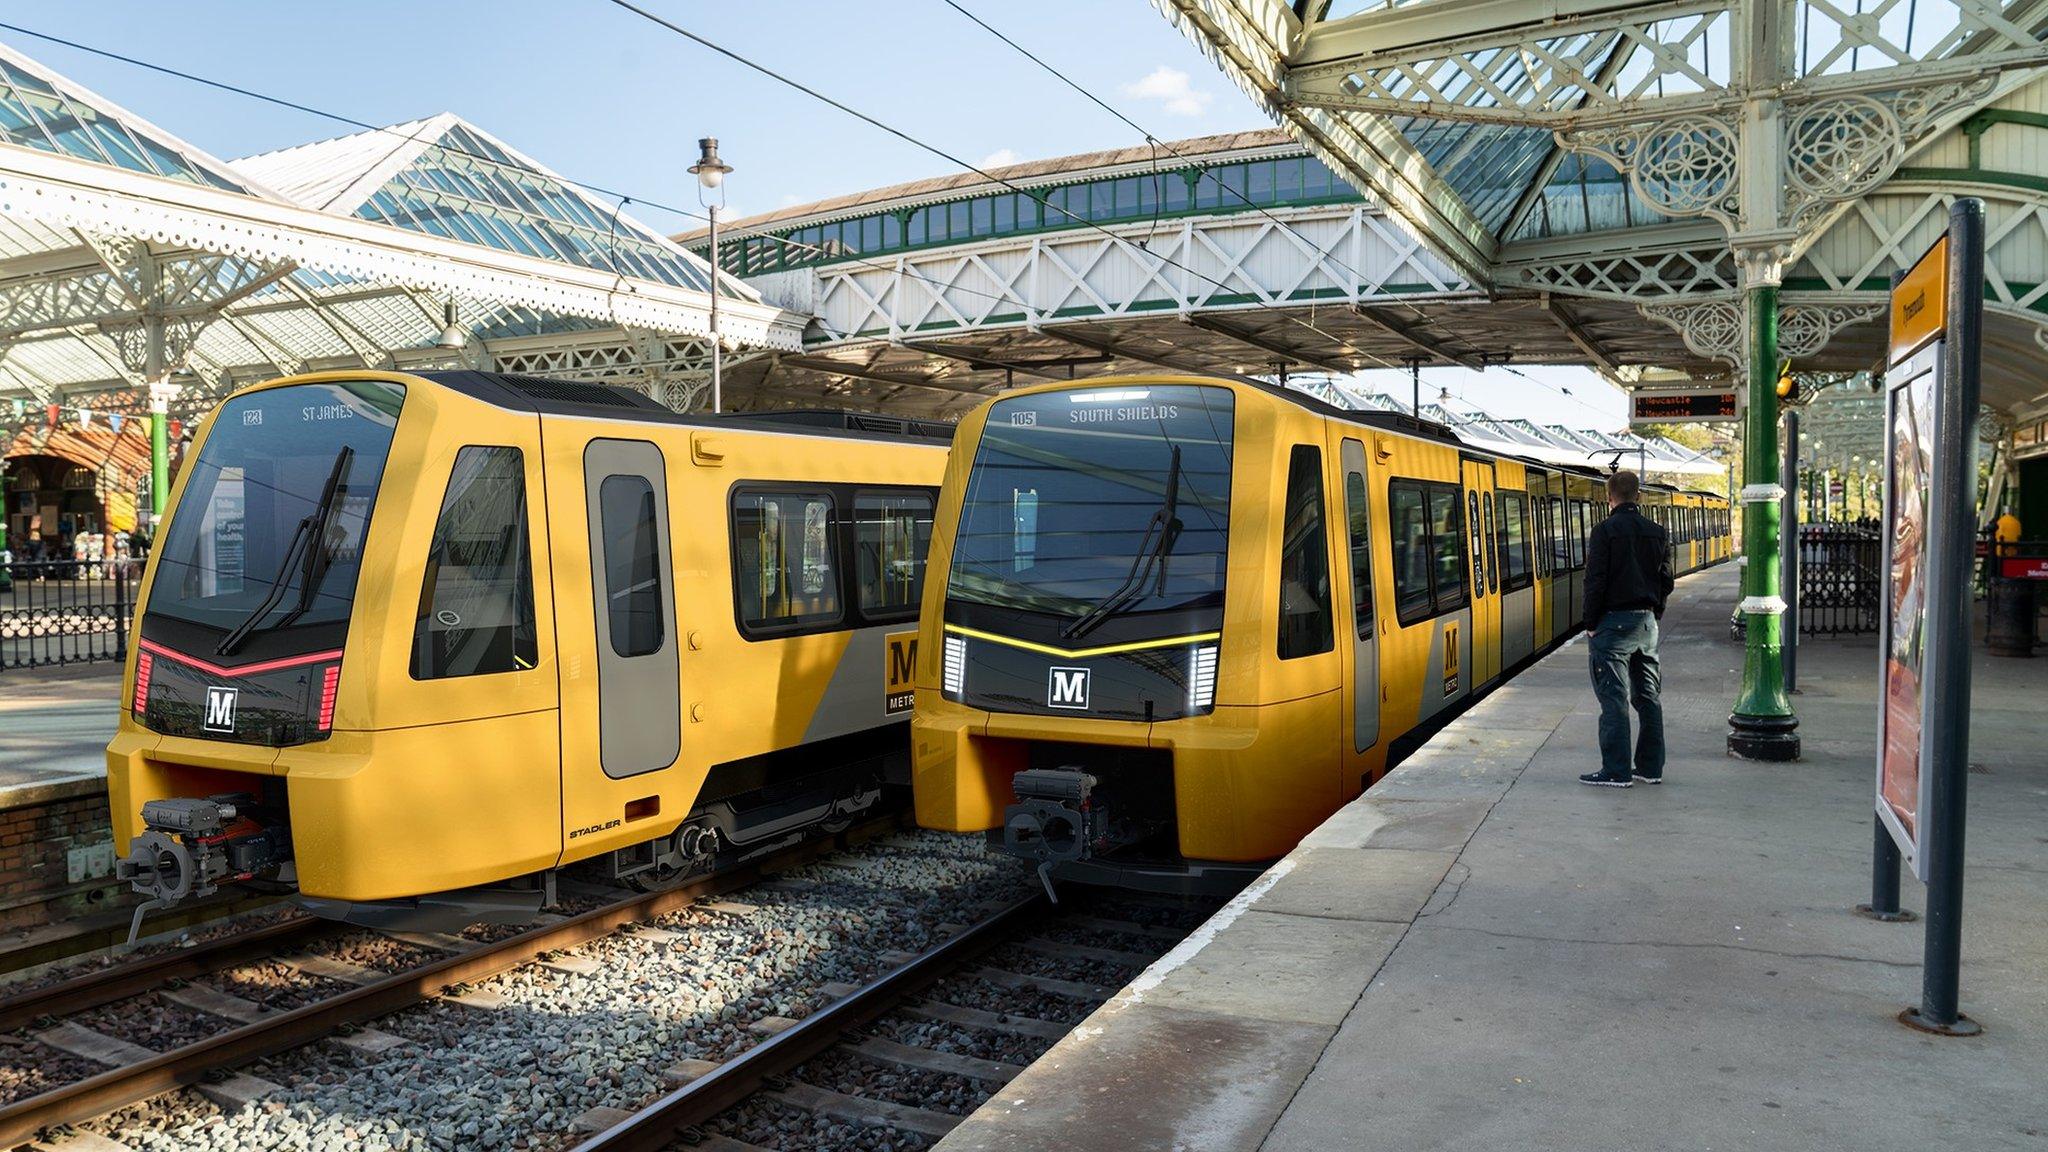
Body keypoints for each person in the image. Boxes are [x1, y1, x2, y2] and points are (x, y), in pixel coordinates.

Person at [1580, 470, 1674, 788]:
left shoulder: (1604, 531)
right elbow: (1666, 579)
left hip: (1613, 623)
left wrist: (1590, 624)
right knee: (1648, 696)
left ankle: (1616, 770)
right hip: (1646, 623)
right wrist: (1655, 611)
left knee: (1614, 698)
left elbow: (1595, 581)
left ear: (1610, 498)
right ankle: (1650, 768)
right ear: (1638, 496)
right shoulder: (1658, 532)